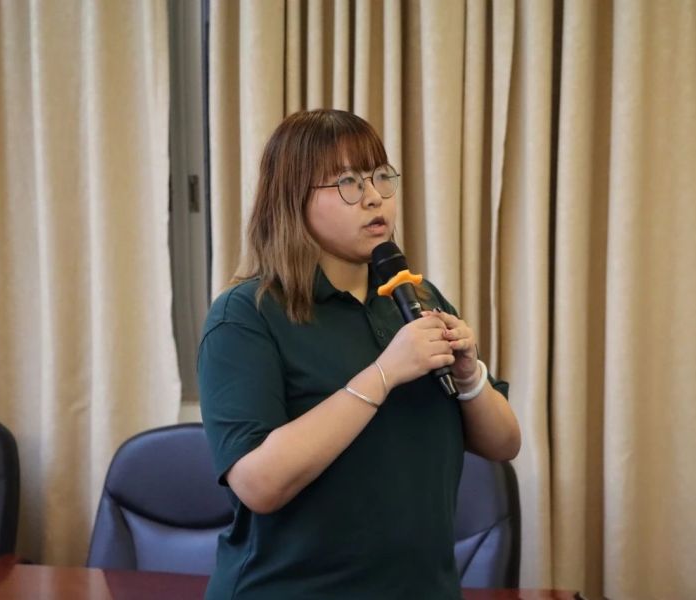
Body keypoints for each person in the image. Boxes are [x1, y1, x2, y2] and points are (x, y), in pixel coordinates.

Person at [198, 109, 521, 600]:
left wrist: (469, 375)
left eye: (379, 177)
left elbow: (504, 444)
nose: (373, 196)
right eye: (348, 182)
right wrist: (384, 373)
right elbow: (259, 484)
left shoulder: (417, 297)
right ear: (292, 198)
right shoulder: (246, 316)